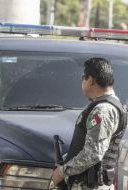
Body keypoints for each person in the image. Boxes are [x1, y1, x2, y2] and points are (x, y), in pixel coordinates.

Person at [52, 58, 127, 190]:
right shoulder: (108, 106)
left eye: (83, 78)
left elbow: (94, 153)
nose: (82, 82)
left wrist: (62, 171)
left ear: (90, 79)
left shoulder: (103, 110)